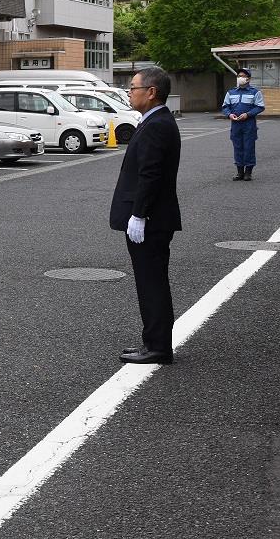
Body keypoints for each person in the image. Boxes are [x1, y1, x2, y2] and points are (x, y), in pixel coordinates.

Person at [110, 66, 181, 365]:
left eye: (133, 87)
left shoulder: (156, 125)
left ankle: (158, 347)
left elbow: (150, 175)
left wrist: (139, 215)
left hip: (150, 220)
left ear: (151, 92)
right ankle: (154, 342)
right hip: (153, 218)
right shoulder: (154, 121)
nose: (129, 91)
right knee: (151, 281)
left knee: (151, 283)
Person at [221, 68, 265, 181]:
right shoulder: (231, 92)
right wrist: (229, 114)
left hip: (249, 124)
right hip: (235, 124)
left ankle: (248, 172)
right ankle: (240, 172)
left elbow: (260, 106)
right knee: (238, 147)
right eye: (238, 75)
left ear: (248, 78)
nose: (240, 77)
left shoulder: (255, 92)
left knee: (249, 147)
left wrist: (248, 114)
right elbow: (225, 106)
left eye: (243, 75)